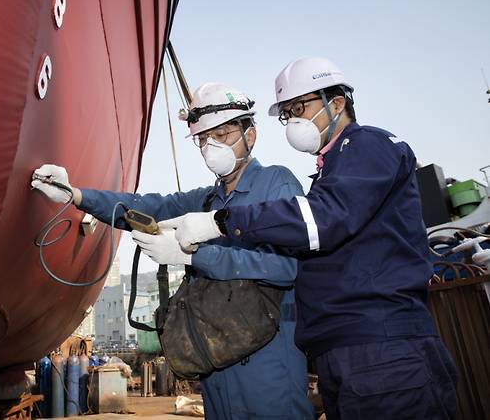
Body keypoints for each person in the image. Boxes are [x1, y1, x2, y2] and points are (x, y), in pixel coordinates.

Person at [161, 57, 459, 420]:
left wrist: (221, 223)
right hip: (344, 351)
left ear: (336, 103)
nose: (293, 120)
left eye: (299, 108)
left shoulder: (366, 145)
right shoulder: (331, 171)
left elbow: (321, 220)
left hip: (381, 348)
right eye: (288, 113)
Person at [31, 83, 314, 419]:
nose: (212, 147)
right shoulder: (205, 201)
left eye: (222, 134)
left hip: (268, 359)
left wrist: (194, 256)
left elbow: (287, 268)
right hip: (218, 355)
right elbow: (144, 206)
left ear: (249, 136)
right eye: (203, 139)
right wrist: (76, 195)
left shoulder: (276, 183)